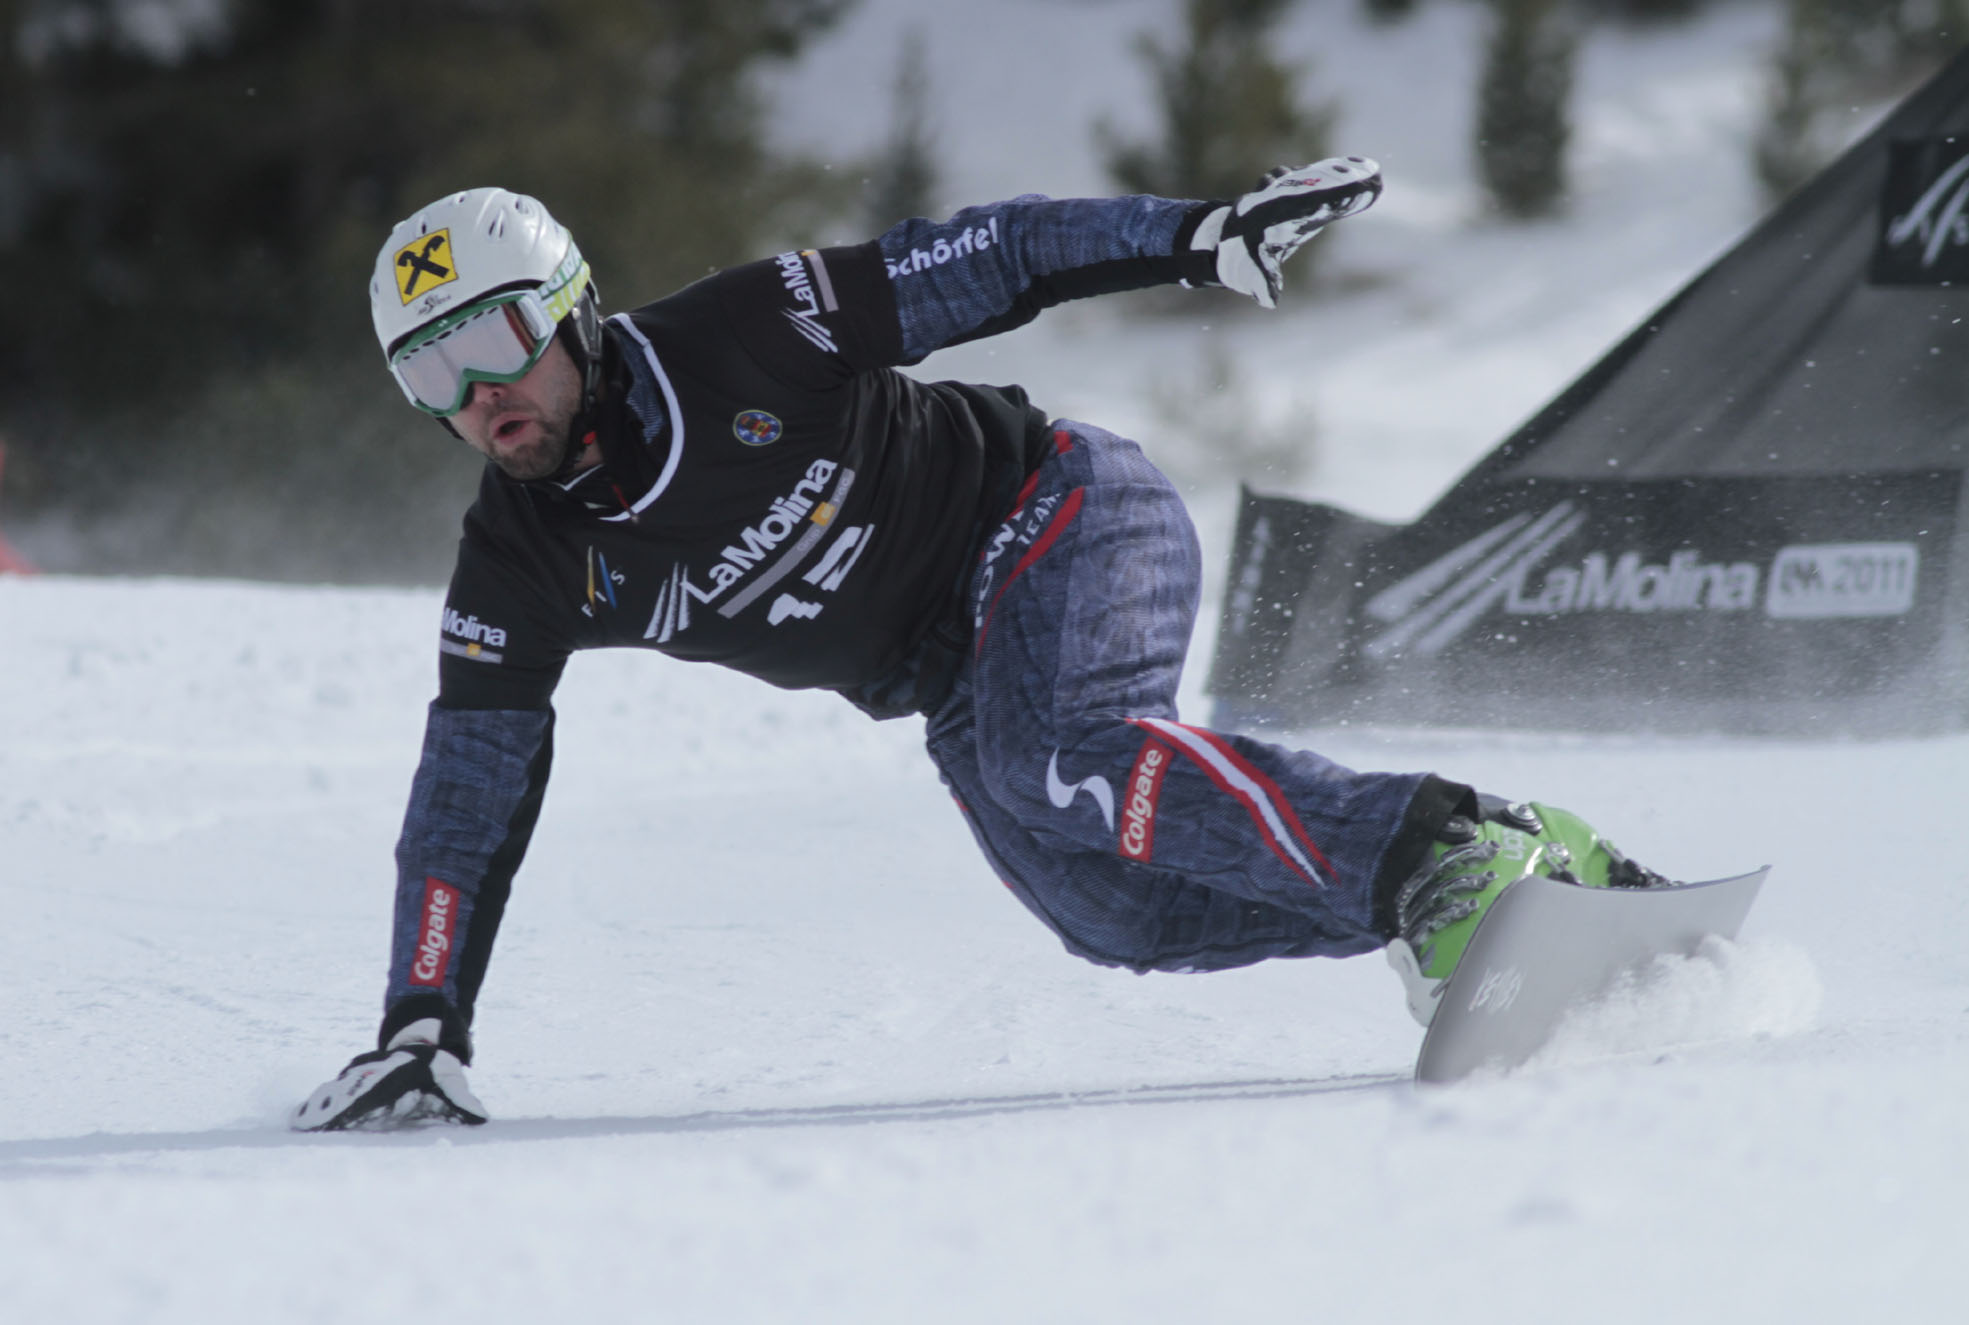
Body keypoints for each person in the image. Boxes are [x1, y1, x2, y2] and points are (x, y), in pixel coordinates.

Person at [293, 162, 1670, 1131]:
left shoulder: (740, 334)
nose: (478, 400)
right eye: (429, 376)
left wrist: (1193, 235)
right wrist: (423, 1017)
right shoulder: (519, 559)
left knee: (1056, 752)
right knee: (1111, 912)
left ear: (576, 310)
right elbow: (467, 791)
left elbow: (985, 258)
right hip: (948, 671)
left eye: (493, 345)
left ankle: (1438, 859)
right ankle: (1518, 860)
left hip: (1062, 510)